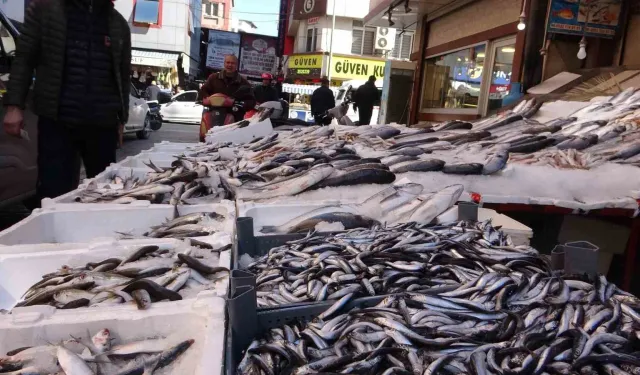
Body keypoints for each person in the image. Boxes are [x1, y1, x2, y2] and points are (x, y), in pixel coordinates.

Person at [3, 0, 131, 202]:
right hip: (57, 121)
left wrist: (122, 119)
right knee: (53, 193)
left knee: (105, 195)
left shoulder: (118, 24)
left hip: (103, 123)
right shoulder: (45, 11)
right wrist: (14, 106)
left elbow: (122, 75)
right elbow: (24, 60)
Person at [199, 54, 256, 140]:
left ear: (236, 65)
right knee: (204, 129)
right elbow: (203, 90)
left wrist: (242, 104)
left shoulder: (243, 82)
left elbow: (251, 100)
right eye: (227, 62)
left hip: (234, 114)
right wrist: (206, 98)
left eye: (232, 63)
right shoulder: (213, 78)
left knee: (235, 138)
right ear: (224, 63)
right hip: (214, 111)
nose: (229, 65)